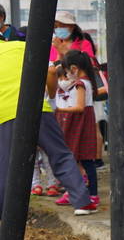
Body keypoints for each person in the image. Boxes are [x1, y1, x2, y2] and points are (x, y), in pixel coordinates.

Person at [0, 40, 93, 217]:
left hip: (5, 114)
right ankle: (82, 202)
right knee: (60, 154)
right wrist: (50, 95)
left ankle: (5, 214)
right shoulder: (20, 46)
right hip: (38, 108)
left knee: (5, 163)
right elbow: (51, 70)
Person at [53, 51, 100, 212]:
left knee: (85, 160)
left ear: (73, 68)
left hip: (80, 123)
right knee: (81, 160)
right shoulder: (87, 82)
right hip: (81, 122)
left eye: (66, 71)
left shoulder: (80, 83)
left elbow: (79, 107)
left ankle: (91, 194)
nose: (66, 74)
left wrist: (59, 109)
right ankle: (79, 192)